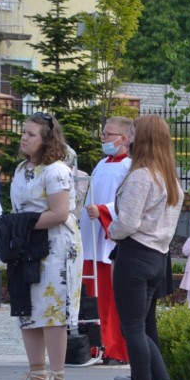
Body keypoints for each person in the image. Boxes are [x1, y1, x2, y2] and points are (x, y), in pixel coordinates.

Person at [108, 114, 184, 380]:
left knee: (133, 329)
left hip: (135, 255)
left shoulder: (142, 175)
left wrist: (111, 230)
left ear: (145, 138)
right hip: (157, 257)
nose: (128, 137)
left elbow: (127, 222)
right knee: (146, 327)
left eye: (133, 132)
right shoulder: (169, 177)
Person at [8, 112, 81, 380]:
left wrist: (20, 225)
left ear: (46, 140)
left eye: (31, 134)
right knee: (28, 309)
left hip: (55, 248)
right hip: (26, 246)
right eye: (24, 133)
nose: (24, 137)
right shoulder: (20, 169)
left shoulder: (56, 171)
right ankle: (36, 376)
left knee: (51, 311)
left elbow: (60, 213)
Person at [81, 116, 132, 364]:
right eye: (103, 134)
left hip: (109, 241)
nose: (103, 139)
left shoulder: (129, 167)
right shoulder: (101, 164)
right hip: (91, 240)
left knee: (111, 299)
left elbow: (127, 203)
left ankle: (114, 348)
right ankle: (93, 345)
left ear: (124, 139)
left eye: (108, 135)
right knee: (92, 297)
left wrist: (103, 210)